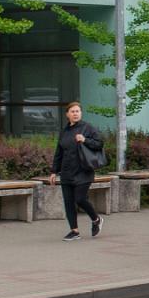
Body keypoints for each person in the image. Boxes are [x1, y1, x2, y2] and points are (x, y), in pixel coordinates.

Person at [50, 101, 104, 241]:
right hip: (66, 171)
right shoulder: (65, 131)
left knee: (79, 199)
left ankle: (96, 219)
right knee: (68, 202)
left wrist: (85, 140)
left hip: (83, 170)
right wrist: (53, 171)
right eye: (72, 111)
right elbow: (59, 152)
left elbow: (99, 144)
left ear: (81, 113)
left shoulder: (88, 128)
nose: (75, 113)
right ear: (67, 114)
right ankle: (74, 231)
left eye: (77, 111)